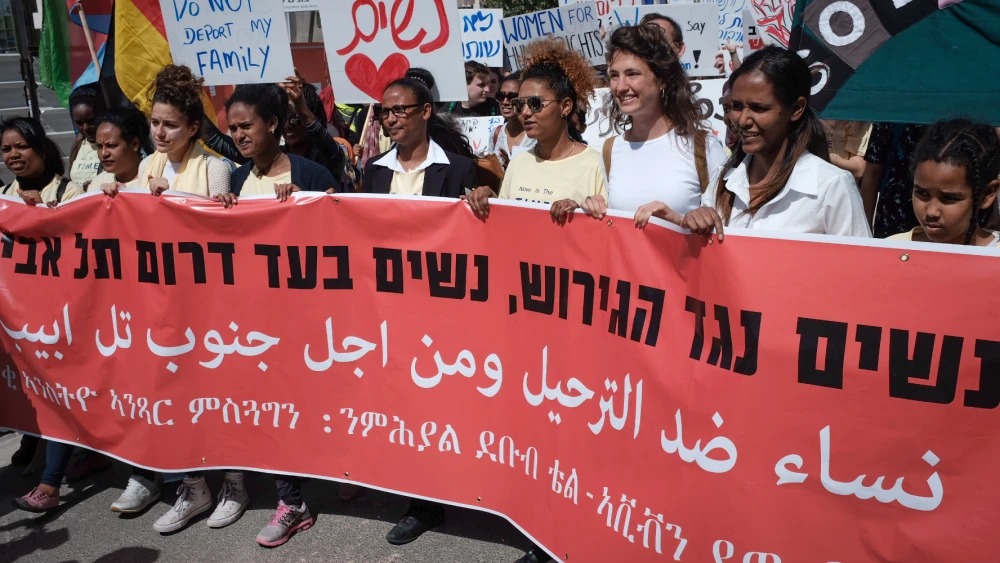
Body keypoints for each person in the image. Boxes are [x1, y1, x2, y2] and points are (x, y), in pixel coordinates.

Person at [673, 46, 870, 238]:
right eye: (737, 106)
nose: (742, 120)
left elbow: (861, 266)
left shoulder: (831, 186)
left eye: (759, 108)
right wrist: (691, 223)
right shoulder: (722, 181)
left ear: (796, 109)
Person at [580, 24, 727, 225]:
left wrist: (680, 221)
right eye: (614, 75)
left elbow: (727, 230)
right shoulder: (611, 149)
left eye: (632, 74)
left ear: (663, 80)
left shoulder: (702, 145)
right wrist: (592, 209)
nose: (621, 87)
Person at [465, 37, 606, 226]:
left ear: (565, 106)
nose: (525, 112)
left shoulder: (596, 165)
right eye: (520, 104)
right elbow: (506, 225)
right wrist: (490, 200)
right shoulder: (519, 163)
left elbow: (608, 230)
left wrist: (581, 214)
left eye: (535, 103)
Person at [888, 119, 1000, 246]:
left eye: (949, 198)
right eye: (922, 193)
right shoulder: (892, 248)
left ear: (986, 194)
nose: (932, 212)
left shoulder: (995, 255)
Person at [362, 77, 479, 198]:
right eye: (385, 112)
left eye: (399, 110)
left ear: (425, 111)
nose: (391, 119)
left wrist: (485, 199)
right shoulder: (375, 167)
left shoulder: (459, 169)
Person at [860, 122, 926, 237]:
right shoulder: (891, 115)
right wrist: (865, 229)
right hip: (893, 219)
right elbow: (872, 173)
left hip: (945, 224)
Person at [1, 116, 84, 206]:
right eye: (6, 149)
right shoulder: (2, 196)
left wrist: (42, 210)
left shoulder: (71, 193)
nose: (13, 154)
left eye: (22, 147)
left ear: (41, 151)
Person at [92, 107, 153, 194]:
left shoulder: (154, 178)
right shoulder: (97, 184)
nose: (103, 153)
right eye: (99, 146)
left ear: (134, 144)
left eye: (111, 145)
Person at [489, 71, 536, 168]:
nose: (505, 102)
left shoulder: (537, 134)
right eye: (501, 96)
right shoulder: (496, 133)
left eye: (512, 97)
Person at [67, 84, 102, 188]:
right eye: (79, 123)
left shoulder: (114, 145)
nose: (86, 128)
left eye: (91, 121)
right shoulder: (78, 144)